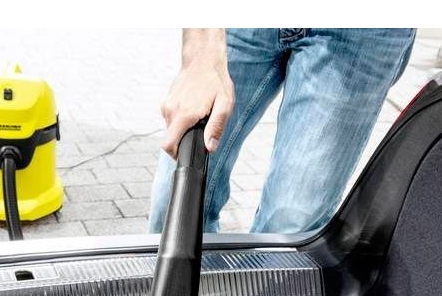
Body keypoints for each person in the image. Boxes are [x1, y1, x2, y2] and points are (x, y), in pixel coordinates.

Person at [149, 28, 416, 234]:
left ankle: (259, 293)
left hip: (358, 35)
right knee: (174, 207)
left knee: (290, 225)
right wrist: (201, 54)